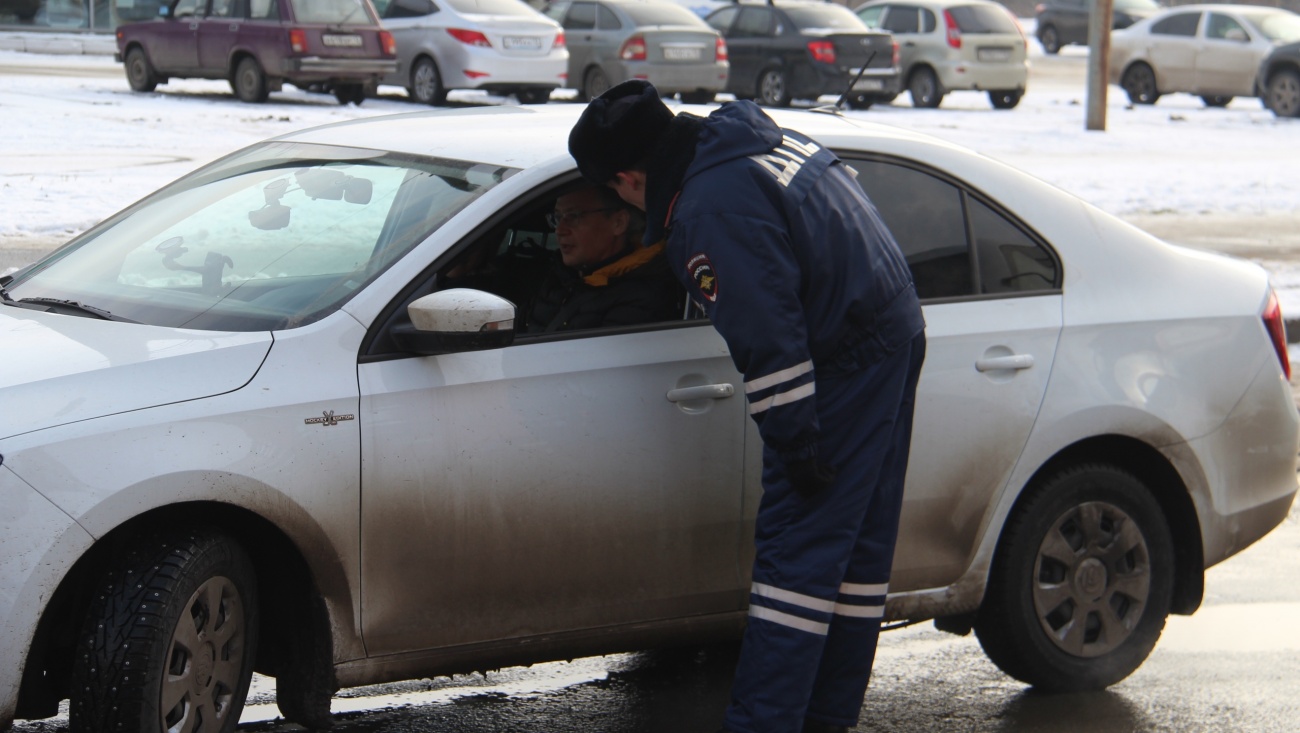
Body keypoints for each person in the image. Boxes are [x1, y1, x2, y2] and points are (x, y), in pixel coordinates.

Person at [568, 81, 927, 733]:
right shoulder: (746, 138)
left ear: (628, 177)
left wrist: (797, 441)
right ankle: (825, 716)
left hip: (843, 361)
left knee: (797, 561)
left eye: (609, 191)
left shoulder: (708, 208)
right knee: (853, 557)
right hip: (889, 330)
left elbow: (768, 336)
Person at [523, 183, 682, 332]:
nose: (560, 230)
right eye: (557, 218)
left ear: (618, 223)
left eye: (573, 216)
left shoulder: (642, 299)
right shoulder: (559, 274)